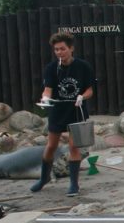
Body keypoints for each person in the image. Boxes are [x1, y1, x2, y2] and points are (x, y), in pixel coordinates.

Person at [32, 31, 95, 197]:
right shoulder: (51, 68)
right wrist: (45, 99)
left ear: (71, 48)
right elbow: (48, 90)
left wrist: (82, 97)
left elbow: (89, 90)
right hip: (58, 110)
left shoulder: (83, 66)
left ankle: (74, 184)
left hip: (76, 109)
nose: (59, 52)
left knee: (74, 146)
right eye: (56, 49)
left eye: (62, 49)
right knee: (51, 145)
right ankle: (44, 178)